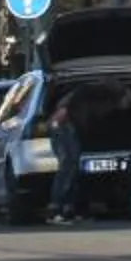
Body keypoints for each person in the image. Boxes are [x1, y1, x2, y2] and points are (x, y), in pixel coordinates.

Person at [46, 96, 81, 224]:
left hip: (64, 129)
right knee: (66, 169)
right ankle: (56, 210)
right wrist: (56, 127)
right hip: (62, 130)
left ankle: (66, 210)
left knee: (71, 169)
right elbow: (59, 116)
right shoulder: (74, 100)